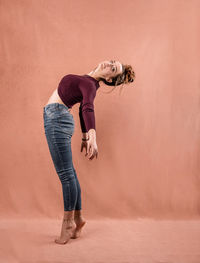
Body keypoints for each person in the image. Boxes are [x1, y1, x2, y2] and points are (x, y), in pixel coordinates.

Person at [43, 60, 135, 244]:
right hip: (59, 119)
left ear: (110, 78)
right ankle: (78, 218)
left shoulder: (90, 85)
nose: (109, 64)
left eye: (113, 68)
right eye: (112, 61)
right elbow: (82, 108)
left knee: (66, 175)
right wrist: (85, 135)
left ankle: (68, 223)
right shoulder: (88, 81)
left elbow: (87, 108)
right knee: (70, 174)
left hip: (57, 120)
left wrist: (92, 134)